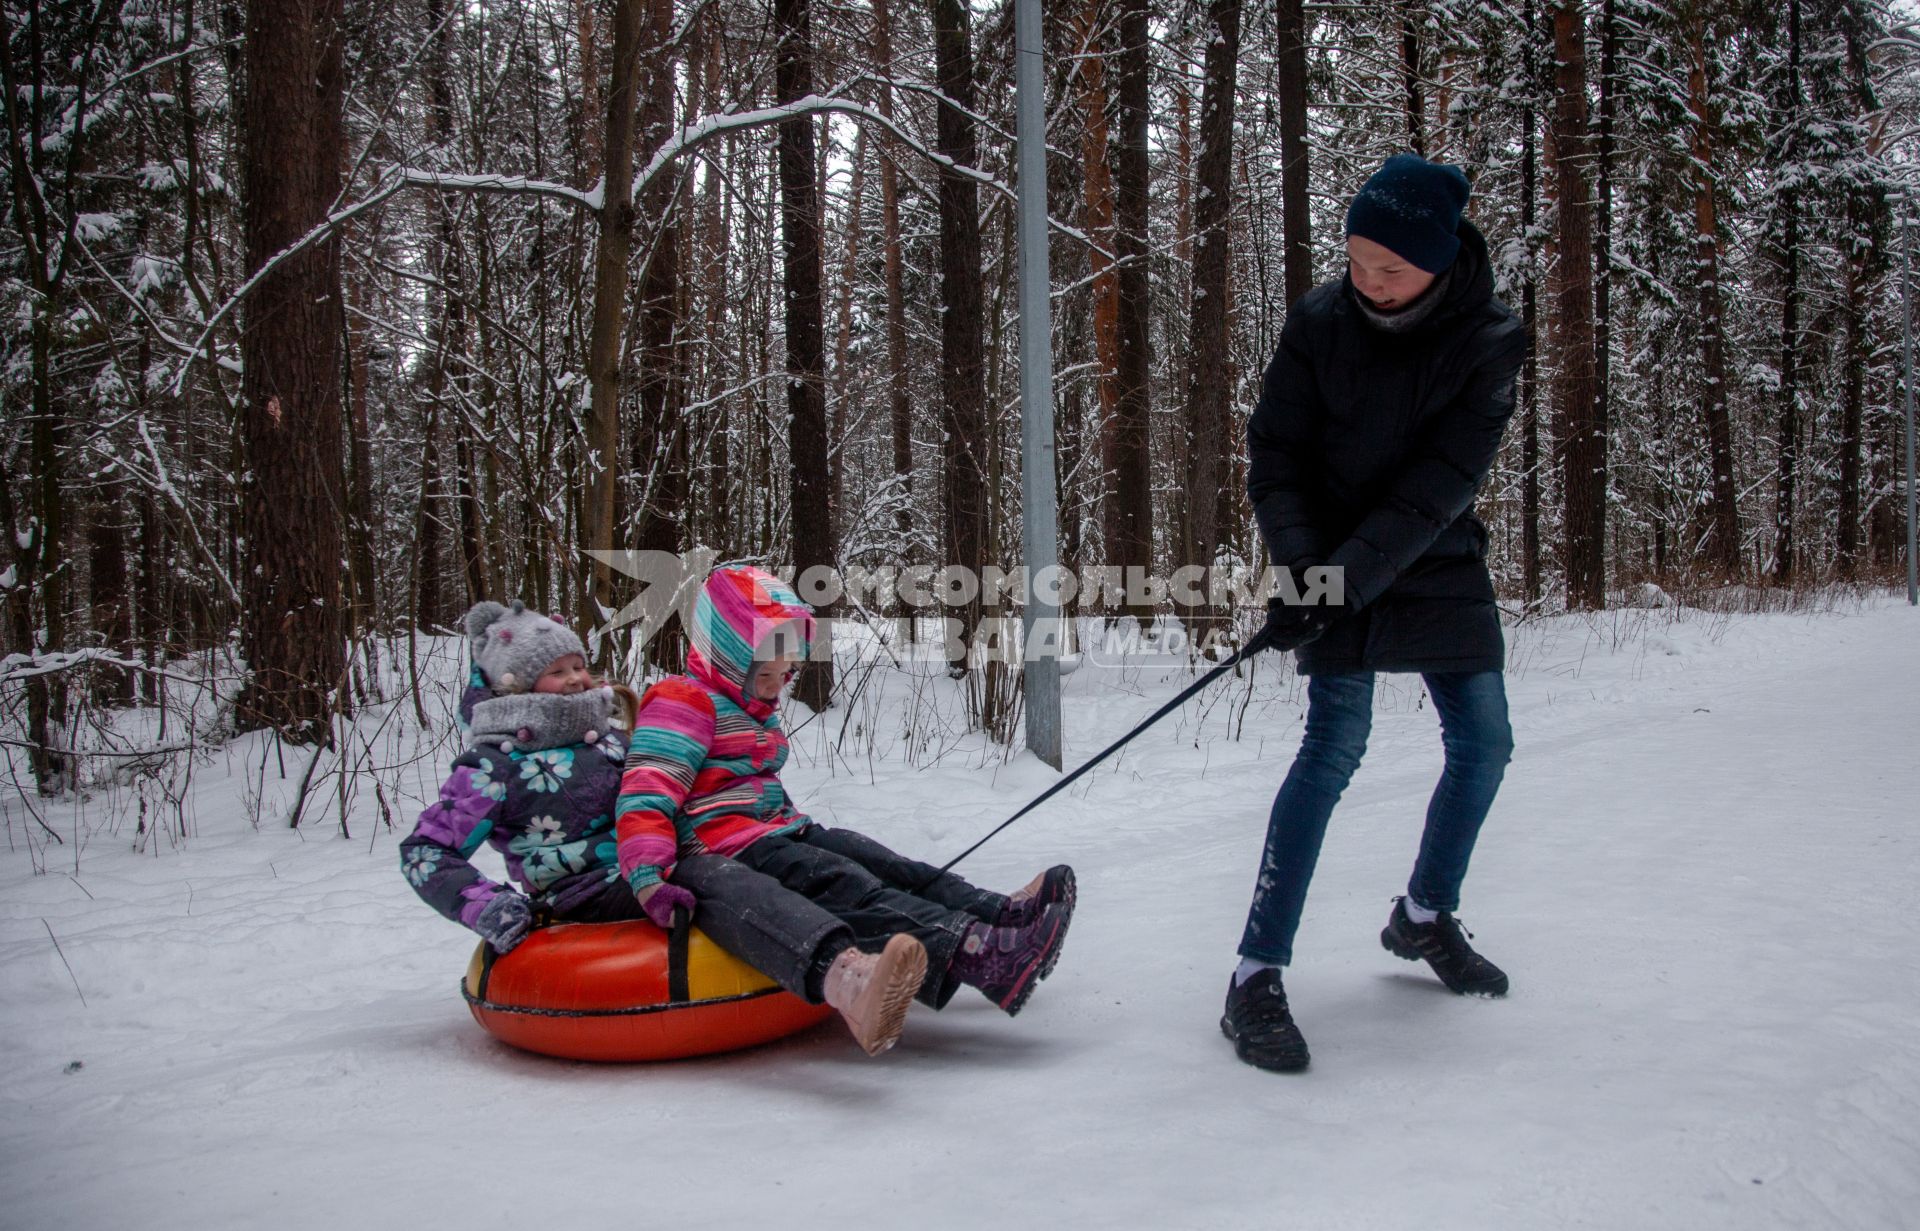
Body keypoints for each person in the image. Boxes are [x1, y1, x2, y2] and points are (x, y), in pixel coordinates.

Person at [1223, 153, 1527, 1073]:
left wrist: (1345, 581)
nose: (1368, 282)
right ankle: (1253, 975)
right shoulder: (1320, 322)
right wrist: (1307, 572)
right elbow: (1274, 452)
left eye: (1389, 268)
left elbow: (1440, 484)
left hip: (1432, 555)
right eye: (1356, 261)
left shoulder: (1489, 340)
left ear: (1437, 262)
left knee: (1485, 742)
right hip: (1326, 548)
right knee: (1333, 746)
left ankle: (1425, 915)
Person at [401, 600, 929, 1056]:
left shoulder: (607, 737)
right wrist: (489, 905)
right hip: (589, 891)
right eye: (558, 672)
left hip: (657, 858)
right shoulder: (495, 765)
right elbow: (425, 850)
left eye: (579, 665)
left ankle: (912, 944)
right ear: (513, 685)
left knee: (769, 860)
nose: (578, 680)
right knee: (715, 879)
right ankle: (843, 978)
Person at [613, 564, 1075, 1028]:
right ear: (730, 657)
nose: (779, 687)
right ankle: (980, 952)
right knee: (849, 886)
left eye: (787, 673)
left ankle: (1000, 914)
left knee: (884, 864)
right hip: (726, 850)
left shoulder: (747, 707)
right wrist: (649, 872)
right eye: (768, 675)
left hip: (779, 833)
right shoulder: (682, 700)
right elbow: (648, 787)